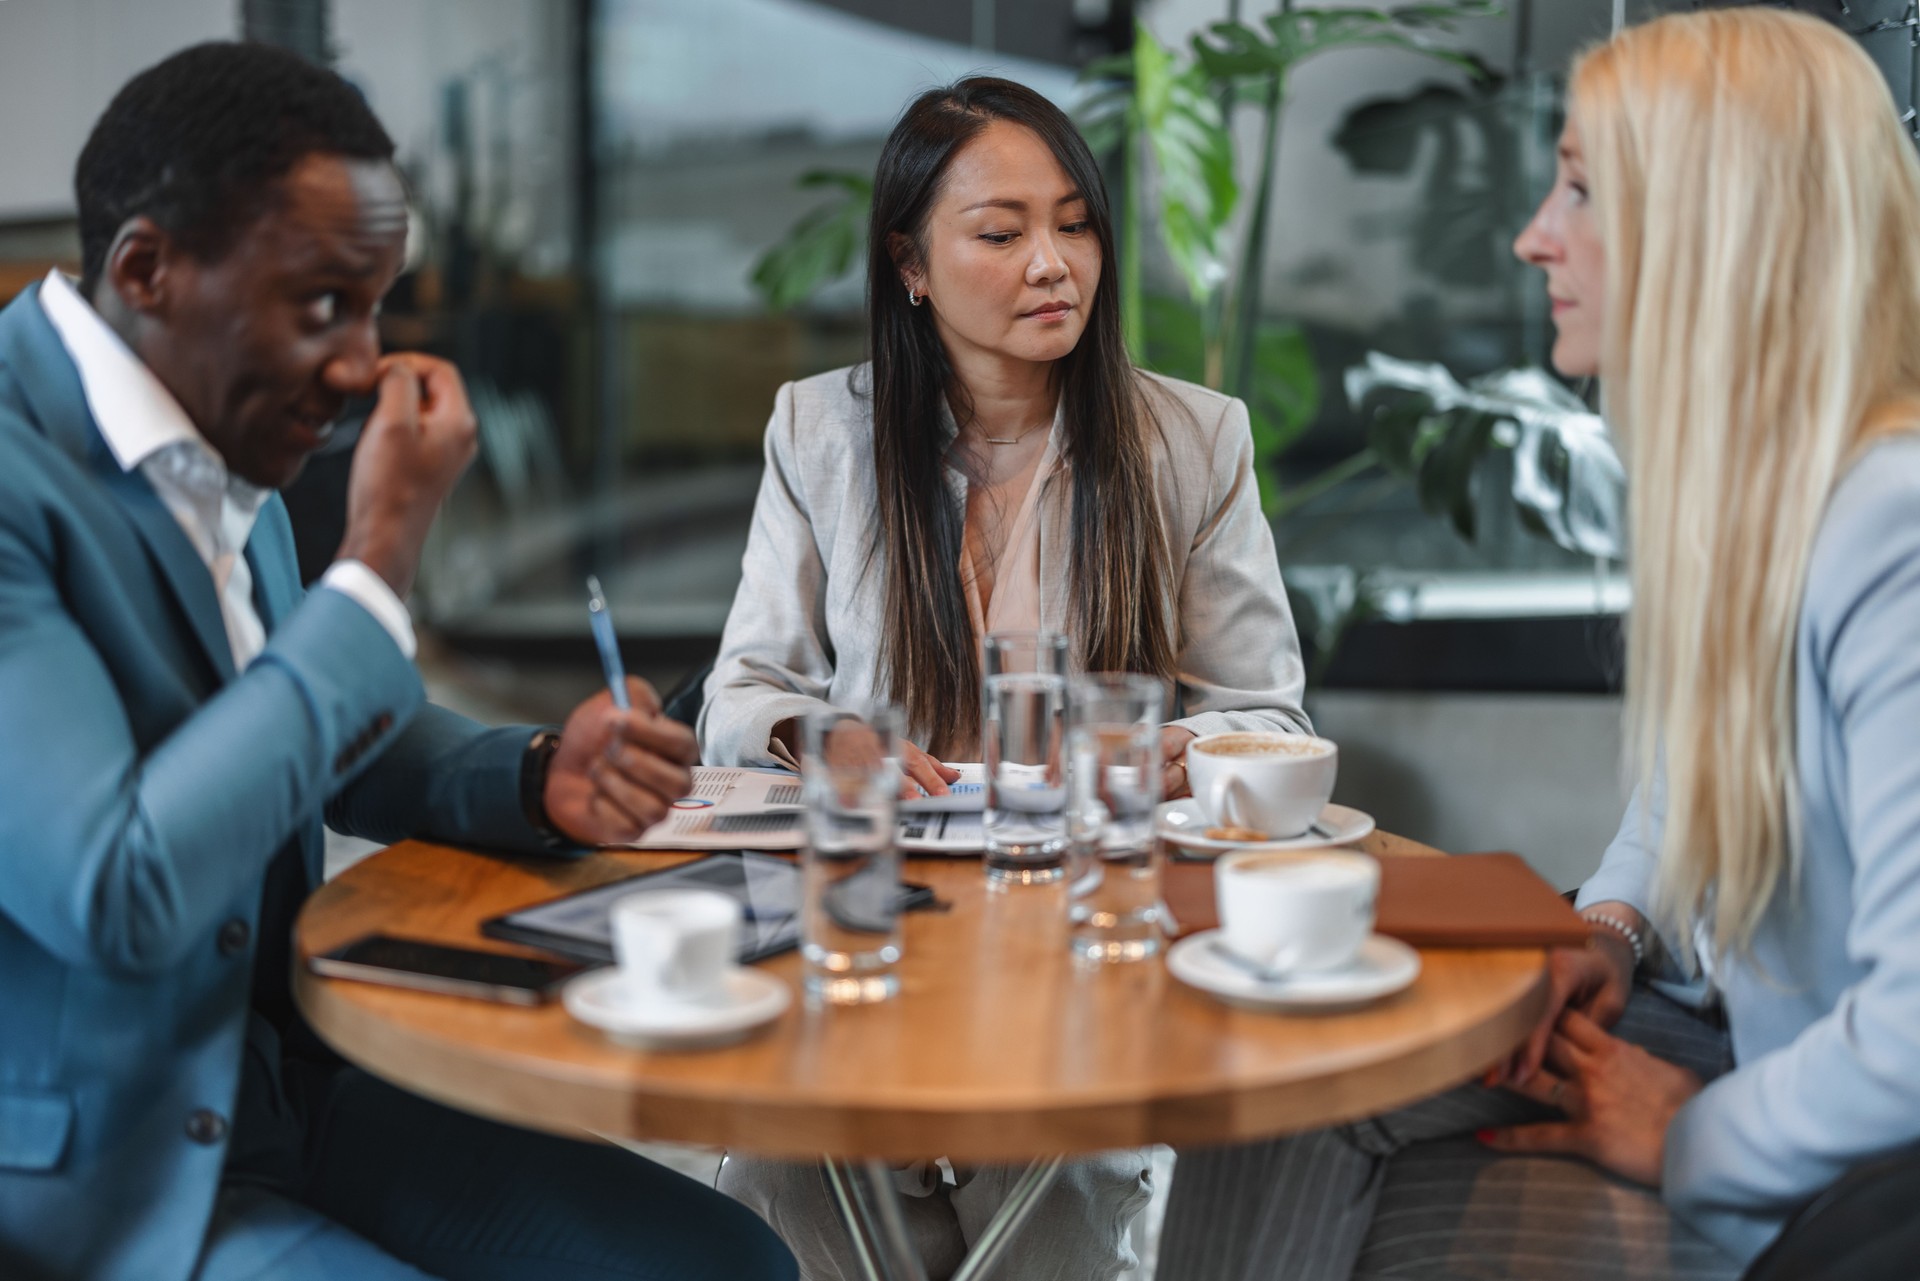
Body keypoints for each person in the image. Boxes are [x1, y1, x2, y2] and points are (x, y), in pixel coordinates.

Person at [0, 42, 796, 1281]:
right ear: (146, 268)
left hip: (283, 1086)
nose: (363, 361)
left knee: (724, 1266)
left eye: (380, 304)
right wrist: (372, 569)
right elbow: (118, 887)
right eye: (324, 302)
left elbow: (290, 734)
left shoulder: (216, 413)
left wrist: (533, 775)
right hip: (99, 1173)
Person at [1155, 9, 1920, 1279]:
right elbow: (1694, 784)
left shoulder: (1888, 526)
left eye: (1578, 188)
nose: (1533, 238)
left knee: (1382, 1205)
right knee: (1281, 1079)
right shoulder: (1761, 503)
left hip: (1828, 1152)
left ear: (1710, 232)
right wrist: (1609, 928)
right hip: (1710, 1021)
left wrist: (1694, 1136)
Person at [700, 77, 1310, 1280]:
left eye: (1075, 224)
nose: (1053, 263)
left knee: (1069, 1183)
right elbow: (742, 691)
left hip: (1083, 938)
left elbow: (1269, 718)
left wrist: (1166, 753)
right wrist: (813, 737)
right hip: (877, 929)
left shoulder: (1192, 440)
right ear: (911, 265)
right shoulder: (819, 432)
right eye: (1001, 232)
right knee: (784, 1174)